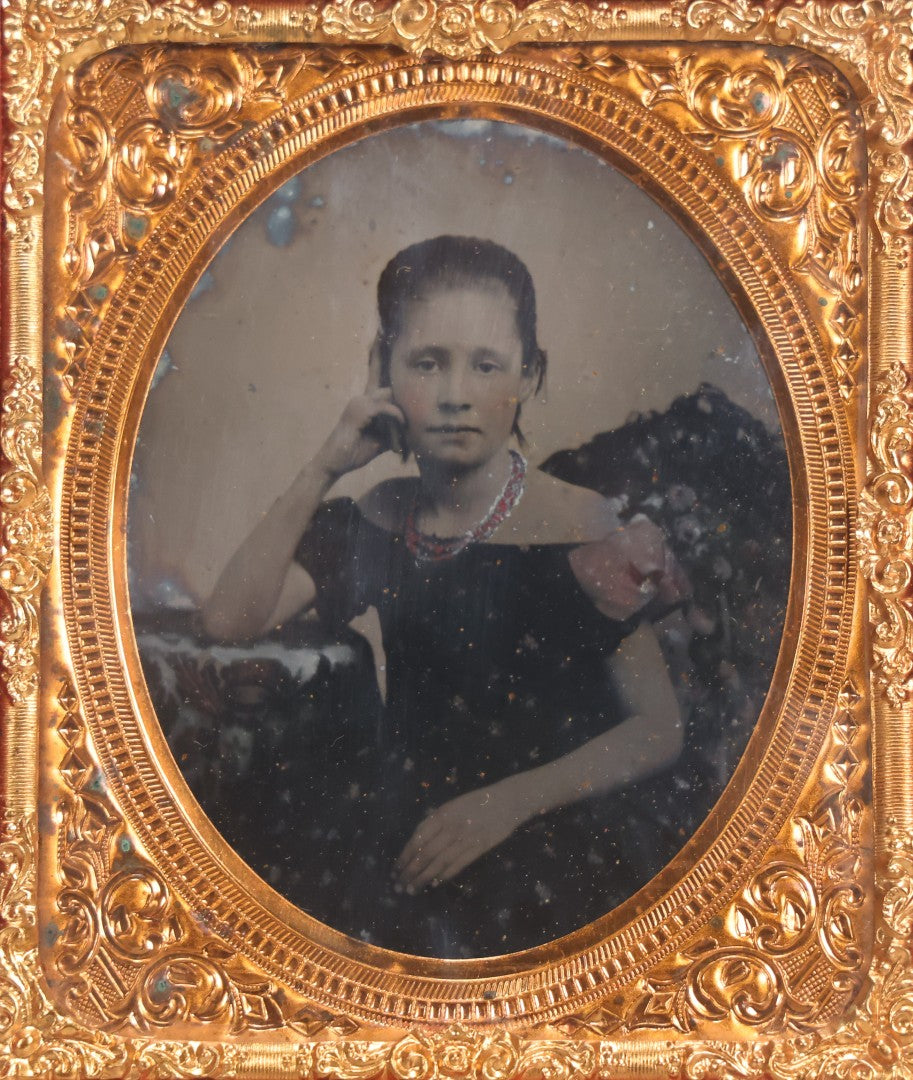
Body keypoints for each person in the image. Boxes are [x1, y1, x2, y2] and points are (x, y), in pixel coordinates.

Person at [202, 236, 687, 957]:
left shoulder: (588, 525)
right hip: (413, 850)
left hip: (551, 848)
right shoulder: (372, 519)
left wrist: (508, 804)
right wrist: (324, 466)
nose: (456, 393)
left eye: (486, 365)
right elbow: (228, 621)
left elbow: (659, 728)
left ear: (529, 374)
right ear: (382, 370)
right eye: (426, 363)